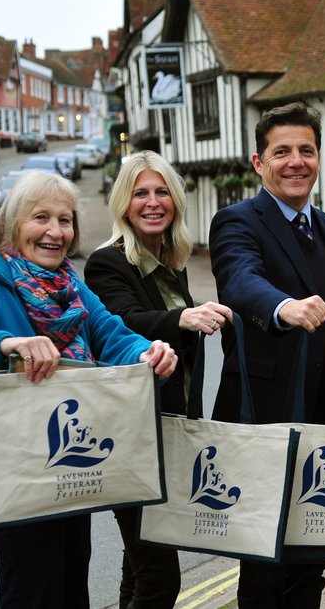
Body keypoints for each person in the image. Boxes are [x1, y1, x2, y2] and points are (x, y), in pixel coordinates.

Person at [0, 170, 177, 609]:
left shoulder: (75, 289)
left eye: (65, 220)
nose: (55, 231)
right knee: (32, 595)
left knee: (71, 593)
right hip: (15, 483)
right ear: (11, 227)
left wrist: (149, 353)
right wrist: (2, 344)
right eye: (40, 218)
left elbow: (114, 335)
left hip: (70, 475)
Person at [208, 101, 325, 608]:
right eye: (282, 152)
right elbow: (239, 279)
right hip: (263, 417)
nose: (296, 161)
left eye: (306, 150)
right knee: (264, 566)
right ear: (259, 162)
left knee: (311, 564)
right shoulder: (237, 221)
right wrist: (285, 306)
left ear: (319, 158)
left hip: (324, 417)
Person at [85, 151, 232, 609]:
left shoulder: (172, 261)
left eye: (161, 191)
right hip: (132, 440)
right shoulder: (107, 263)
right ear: (124, 204)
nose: (152, 202)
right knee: (159, 580)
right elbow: (122, 321)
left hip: (169, 433)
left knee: (138, 570)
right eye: (140, 193)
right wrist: (183, 317)